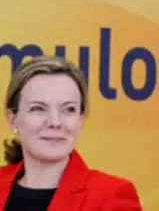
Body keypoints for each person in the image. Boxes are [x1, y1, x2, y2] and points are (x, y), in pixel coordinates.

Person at [0, 55, 142, 210]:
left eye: (68, 109)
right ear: (12, 119)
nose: (55, 122)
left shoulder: (111, 196)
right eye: (38, 108)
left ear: (80, 119)